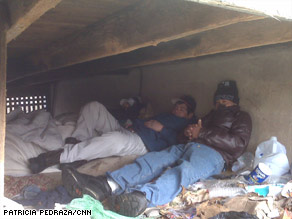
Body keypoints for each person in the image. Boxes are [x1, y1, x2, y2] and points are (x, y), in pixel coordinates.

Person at [61, 80, 252, 217]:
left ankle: (141, 198)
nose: (221, 104)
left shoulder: (241, 117)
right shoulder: (209, 115)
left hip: (215, 155)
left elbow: (238, 145)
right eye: (218, 100)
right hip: (188, 145)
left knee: (184, 171)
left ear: (234, 101)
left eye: (225, 101)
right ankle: (106, 185)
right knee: (152, 161)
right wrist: (188, 133)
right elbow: (178, 137)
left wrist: (201, 134)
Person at [29, 95, 197, 174]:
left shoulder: (186, 126)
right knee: (94, 106)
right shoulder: (165, 115)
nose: (177, 109)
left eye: (182, 109)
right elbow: (144, 122)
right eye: (177, 106)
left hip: (143, 144)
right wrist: (131, 122)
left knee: (115, 140)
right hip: (131, 130)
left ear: (189, 115)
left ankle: (57, 157)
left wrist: (162, 129)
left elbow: (178, 144)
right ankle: (77, 144)